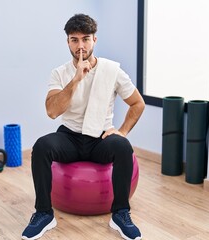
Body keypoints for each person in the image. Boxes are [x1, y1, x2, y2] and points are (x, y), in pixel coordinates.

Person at [21, 13, 145, 240]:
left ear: (94, 40)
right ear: (67, 41)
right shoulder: (59, 73)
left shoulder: (112, 70)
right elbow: (52, 111)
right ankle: (44, 214)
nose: (81, 45)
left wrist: (123, 131)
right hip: (69, 138)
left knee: (123, 146)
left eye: (85, 39)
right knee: (41, 146)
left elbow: (138, 103)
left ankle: (120, 213)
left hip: (101, 138)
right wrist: (76, 79)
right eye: (74, 39)